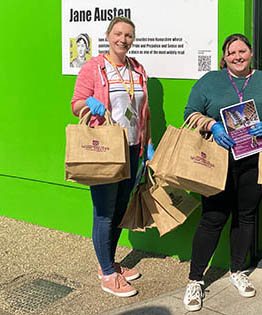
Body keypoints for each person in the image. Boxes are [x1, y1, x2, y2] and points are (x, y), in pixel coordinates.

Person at [182, 33, 262, 312]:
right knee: (212, 218)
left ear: (251, 53)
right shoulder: (210, 81)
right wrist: (213, 126)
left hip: (255, 161)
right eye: (232, 53)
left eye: (242, 51)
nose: (237, 57)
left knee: (246, 217)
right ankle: (195, 280)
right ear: (224, 56)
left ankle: (237, 271)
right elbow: (190, 113)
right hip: (217, 161)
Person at [71, 16, 154, 297]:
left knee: (120, 210)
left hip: (132, 149)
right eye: (118, 33)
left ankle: (110, 263)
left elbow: (145, 110)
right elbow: (76, 104)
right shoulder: (94, 67)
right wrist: (90, 104)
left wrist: (148, 143)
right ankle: (107, 273)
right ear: (108, 36)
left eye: (128, 35)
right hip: (106, 149)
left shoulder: (137, 68)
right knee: (104, 212)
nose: (123, 39)